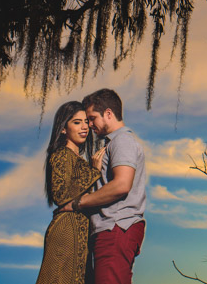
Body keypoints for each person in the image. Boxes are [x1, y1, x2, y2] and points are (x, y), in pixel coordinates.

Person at [57, 88, 147, 284]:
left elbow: (122, 184)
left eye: (92, 118)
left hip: (115, 227)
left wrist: (77, 204)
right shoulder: (112, 144)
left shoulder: (122, 141)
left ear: (108, 114)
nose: (89, 125)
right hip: (110, 229)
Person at [36, 101, 105, 284]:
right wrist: (94, 172)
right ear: (63, 128)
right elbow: (60, 194)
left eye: (85, 122)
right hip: (66, 231)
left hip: (82, 232)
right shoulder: (60, 155)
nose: (84, 127)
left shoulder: (81, 161)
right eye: (76, 122)